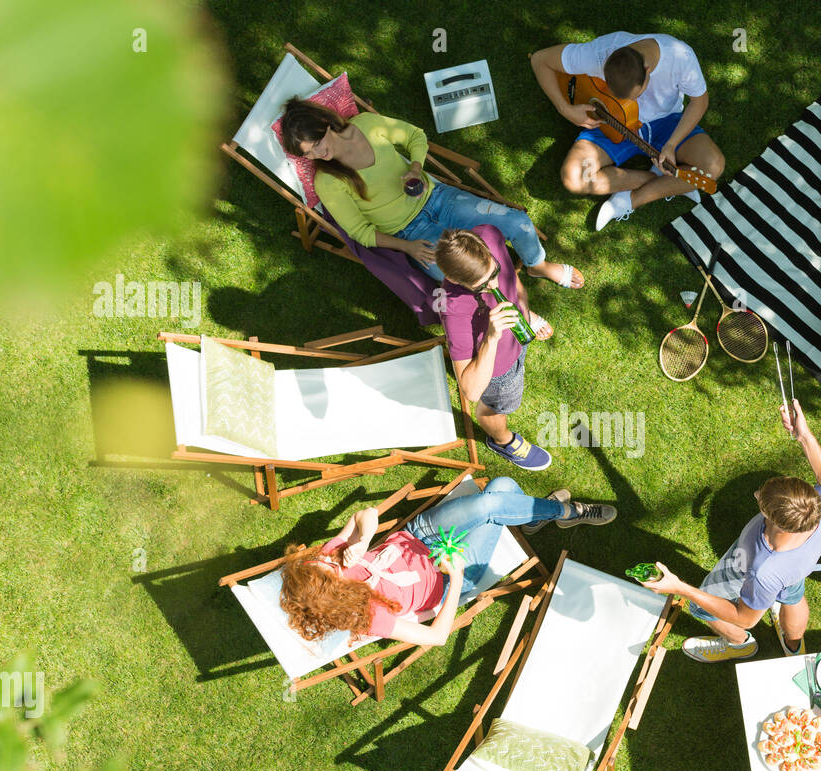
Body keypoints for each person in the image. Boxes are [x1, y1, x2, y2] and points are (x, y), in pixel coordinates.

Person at [279, 478, 617, 648]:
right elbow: (437, 636)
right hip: (448, 572)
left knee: (500, 490)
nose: (329, 561)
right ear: (333, 594)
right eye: (330, 571)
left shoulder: (328, 561)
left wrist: (363, 540)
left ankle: (544, 516)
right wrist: (455, 579)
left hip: (419, 535)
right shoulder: (366, 616)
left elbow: (365, 514)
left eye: (321, 564)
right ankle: (568, 513)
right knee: (499, 495)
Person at [279, 99, 583, 288]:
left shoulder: (368, 125)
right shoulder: (327, 181)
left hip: (439, 197)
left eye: (317, 144)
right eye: (309, 154)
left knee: (516, 222)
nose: (318, 154)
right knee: (457, 276)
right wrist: (407, 247)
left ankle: (537, 266)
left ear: (323, 125)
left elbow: (414, 136)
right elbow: (361, 232)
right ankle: (517, 305)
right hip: (409, 232)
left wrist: (414, 168)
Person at [642, 402, 821, 661]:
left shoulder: (762, 571)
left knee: (700, 608)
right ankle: (793, 645)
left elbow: (744, 617)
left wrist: (681, 588)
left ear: (778, 522)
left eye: (761, 501)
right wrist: (804, 436)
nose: (755, 494)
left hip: (749, 572)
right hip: (796, 570)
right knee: (793, 594)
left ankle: (740, 645)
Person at [530, 32, 725, 231]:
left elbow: (699, 102)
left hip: (667, 123)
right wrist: (566, 110)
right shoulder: (599, 53)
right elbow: (539, 60)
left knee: (713, 166)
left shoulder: (680, 57)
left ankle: (629, 200)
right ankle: (664, 181)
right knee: (574, 177)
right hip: (611, 124)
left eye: (636, 95)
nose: (632, 101)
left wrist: (671, 145)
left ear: (647, 71)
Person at [434, 227, 555, 470]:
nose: (495, 284)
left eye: (495, 272)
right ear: (457, 281)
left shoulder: (490, 234)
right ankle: (503, 441)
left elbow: (511, 277)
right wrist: (491, 337)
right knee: (497, 407)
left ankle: (526, 319)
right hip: (500, 370)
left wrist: (524, 309)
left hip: (518, 338)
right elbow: (471, 391)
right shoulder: (452, 307)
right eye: (483, 285)